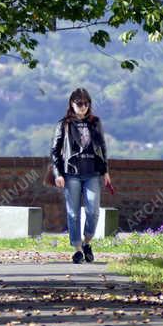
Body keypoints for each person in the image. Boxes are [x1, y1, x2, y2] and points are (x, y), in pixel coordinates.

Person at [50, 88, 111, 264]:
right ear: (72, 104)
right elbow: (55, 151)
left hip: (92, 172)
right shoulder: (64, 124)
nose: (83, 107)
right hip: (71, 173)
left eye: (86, 103)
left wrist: (105, 171)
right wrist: (58, 173)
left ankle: (87, 242)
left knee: (93, 211)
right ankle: (77, 249)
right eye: (79, 103)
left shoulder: (95, 122)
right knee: (73, 213)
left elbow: (102, 147)